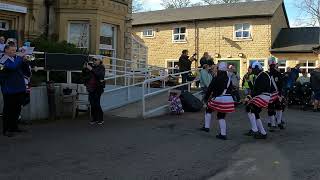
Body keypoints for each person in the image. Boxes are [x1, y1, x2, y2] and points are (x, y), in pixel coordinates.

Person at [202, 62, 235, 140]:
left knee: (208, 109)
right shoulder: (228, 78)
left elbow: (210, 88)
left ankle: (207, 127)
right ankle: (223, 134)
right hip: (229, 99)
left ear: (219, 69)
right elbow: (231, 89)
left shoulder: (217, 77)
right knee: (221, 116)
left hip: (220, 98)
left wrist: (206, 98)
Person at [0, 44, 27, 137]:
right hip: (9, 89)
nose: (14, 52)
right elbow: (12, 67)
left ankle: (14, 127)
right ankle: (6, 129)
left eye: (15, 50)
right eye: (12, 50)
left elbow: (24, 70)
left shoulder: (16, 58)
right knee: (8, 110)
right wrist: (21, 58)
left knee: (17, 109)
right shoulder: (3, 60)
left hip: (19, 87)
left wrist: (25, 61)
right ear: (6, 51)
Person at [244, 61, 271, 139]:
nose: (252, 70)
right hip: (263, 95)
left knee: (249, 108)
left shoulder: (263, 75)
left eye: (253, 69)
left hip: (264, 96)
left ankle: (255, 129)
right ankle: (262, 132)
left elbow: (259, 90)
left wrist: (249, 97)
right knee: (254, 111)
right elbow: (254, 89)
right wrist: (248, 81)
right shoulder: (260, 75)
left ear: (257, 68)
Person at [83, 55, 106, 125]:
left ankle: (100, 118)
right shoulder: (92, 67)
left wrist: (91, 69)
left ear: (99, 61)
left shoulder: (101, 67)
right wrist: (84, 68)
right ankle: (94, 118)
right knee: (92, 104)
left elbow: (100, 75)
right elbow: (85, 74)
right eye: (93, 60)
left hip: (98, 88)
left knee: (97, 103)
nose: (94, 61)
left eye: (95, 60)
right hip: (91, 88)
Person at [267, 59, 285, 131]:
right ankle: (279, 122)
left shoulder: (267, 74)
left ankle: (273, 124)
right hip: (277, 94)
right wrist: (280, 94)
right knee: (279, 108)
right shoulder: (278, 74)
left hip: (270, 94)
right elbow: (281, 85)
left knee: (271, 109)